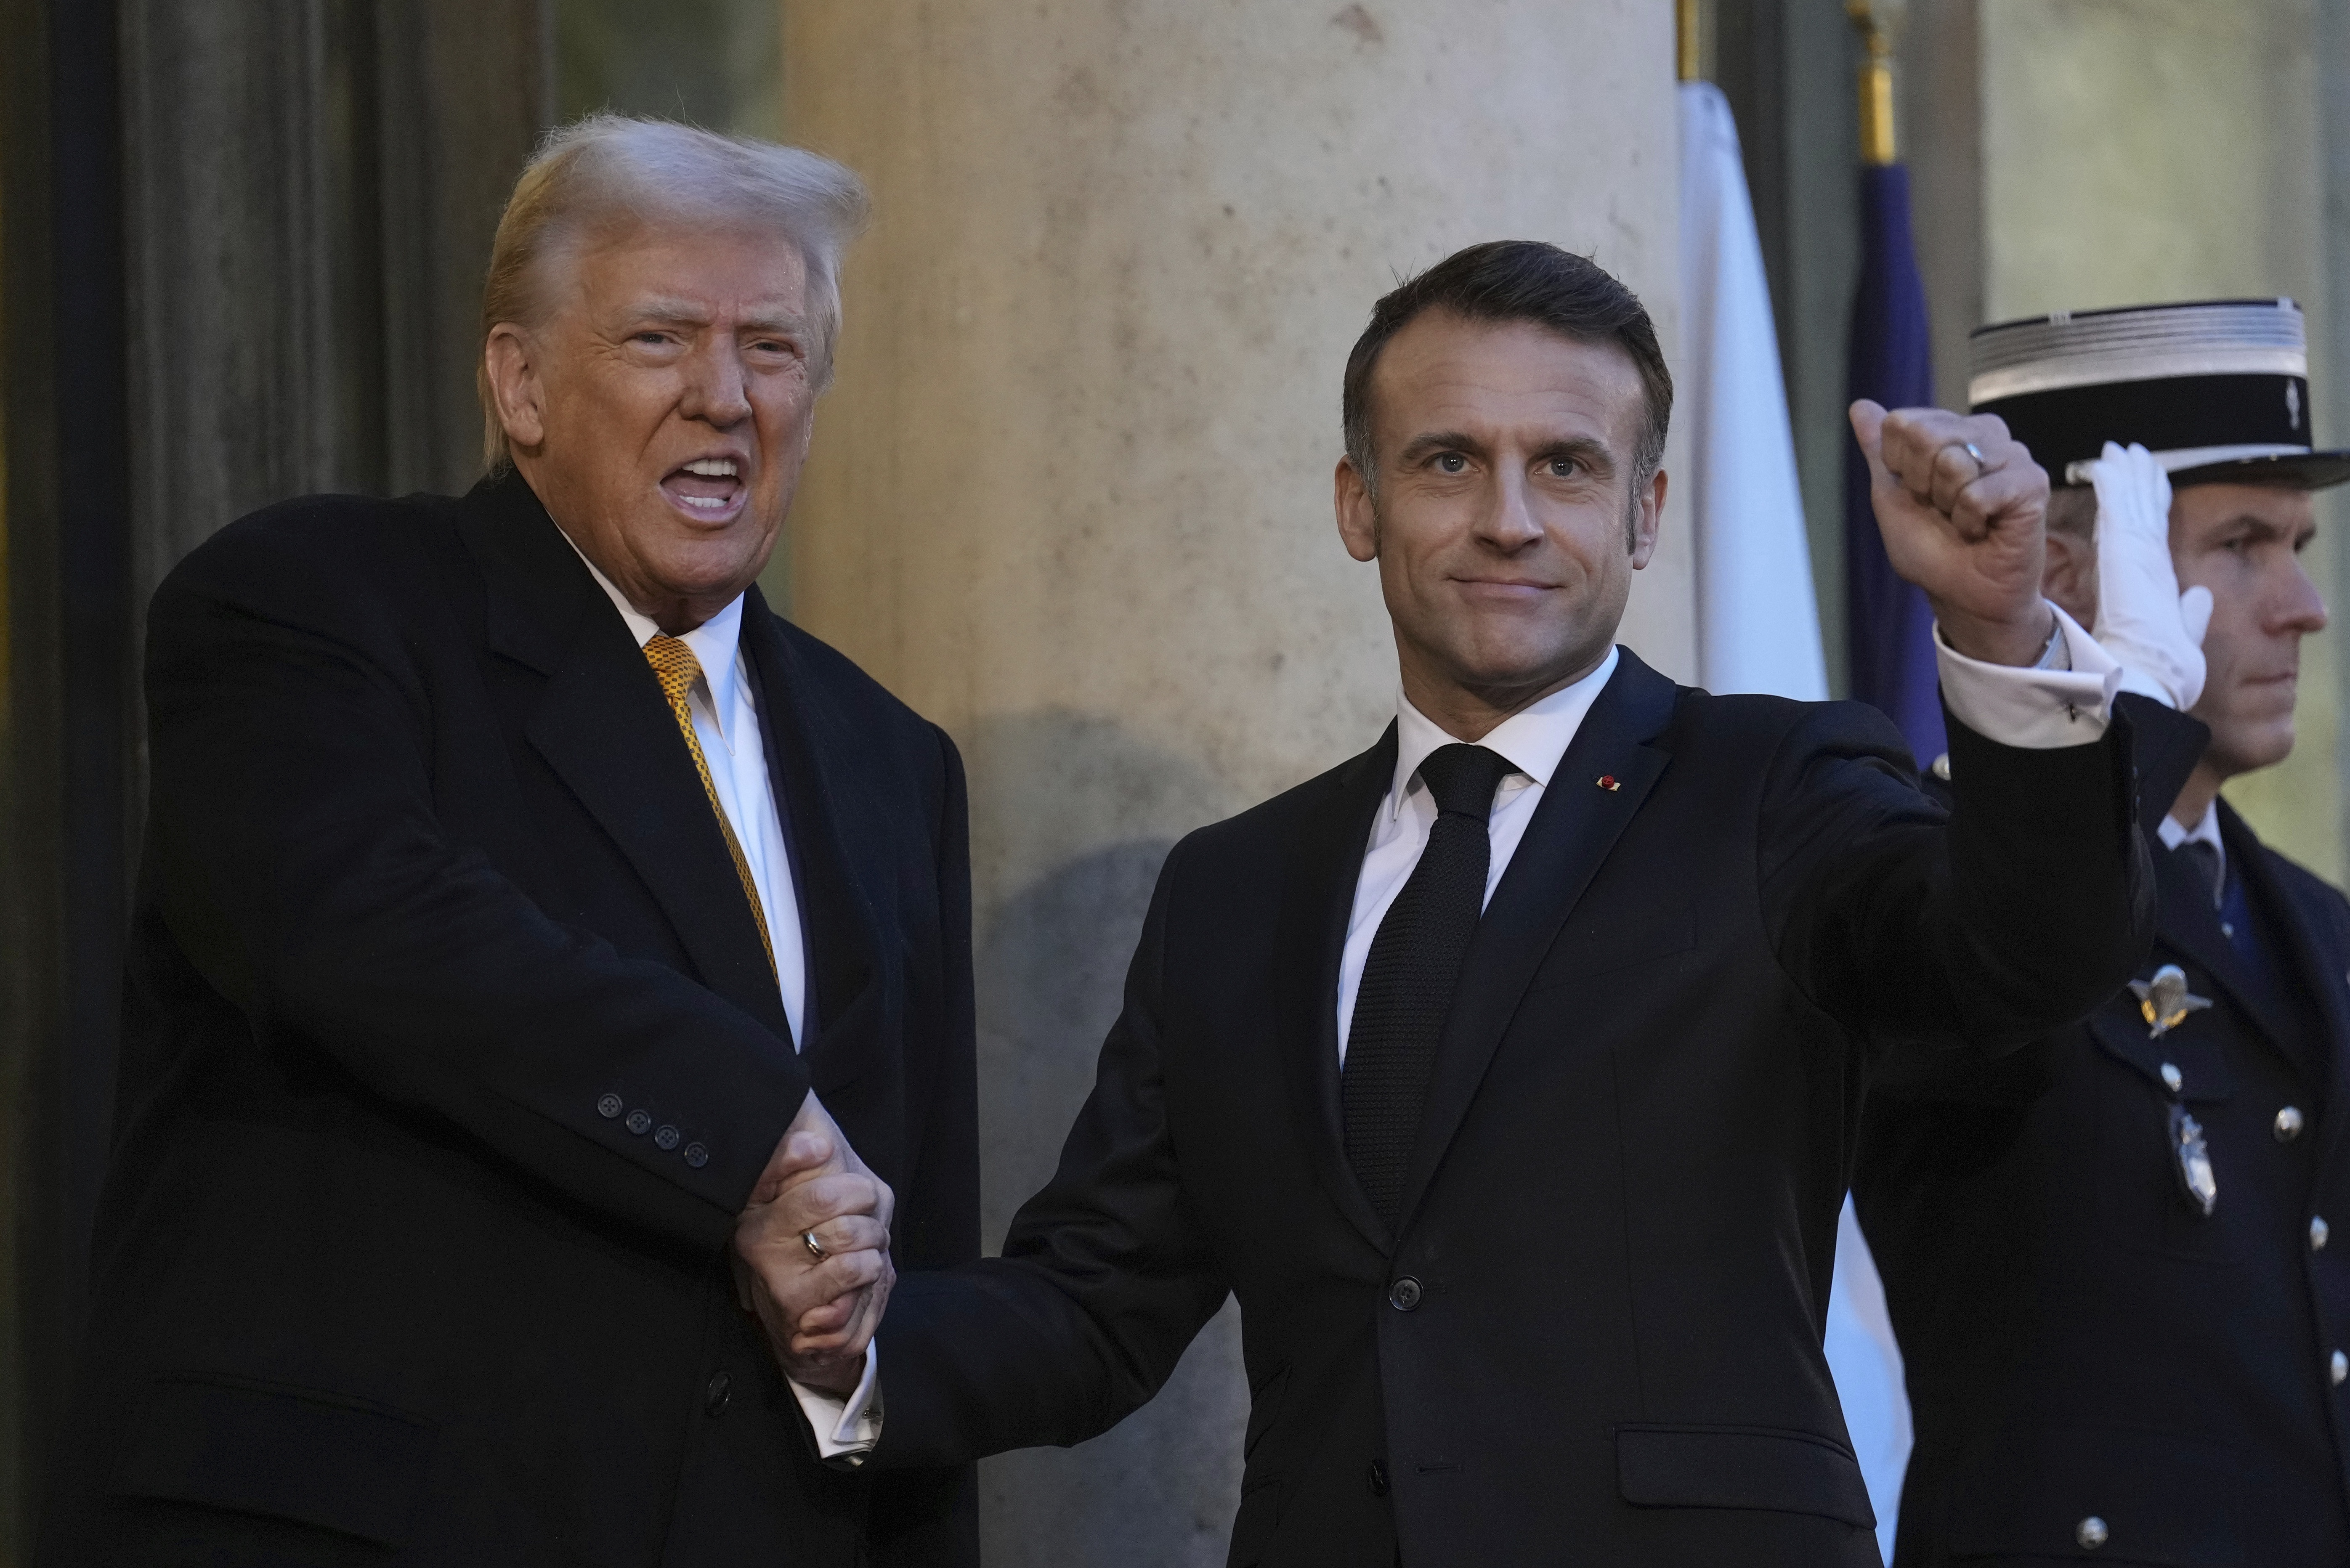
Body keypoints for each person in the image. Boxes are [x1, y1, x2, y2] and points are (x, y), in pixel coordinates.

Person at [763, 239, 2155, 1566]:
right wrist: (858, 1349)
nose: (1507, 517)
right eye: (1448, 461)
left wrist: (1998, 635)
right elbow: (1097, 1304)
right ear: (1358, 505)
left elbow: (2023, 962)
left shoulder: (1778, 788)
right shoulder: (1235, 889)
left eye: (1564, 464)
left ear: (1644, 513)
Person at [37, 117, 958, 1567]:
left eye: (772, 351)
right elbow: (360, 923)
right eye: (662, 339)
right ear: (519, 384)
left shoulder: (894, 762)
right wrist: (754, 1135)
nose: (723, 397)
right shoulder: (313, 603)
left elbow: (903, 1245)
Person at [1855, 297, 2350, 1566]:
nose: (2302, 606)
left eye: (2296, 543)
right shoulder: (1929, 884)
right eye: (2241, 544)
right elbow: (2013, 970)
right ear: (2069, 568)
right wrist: (2090, 734)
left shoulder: (2315, 926)